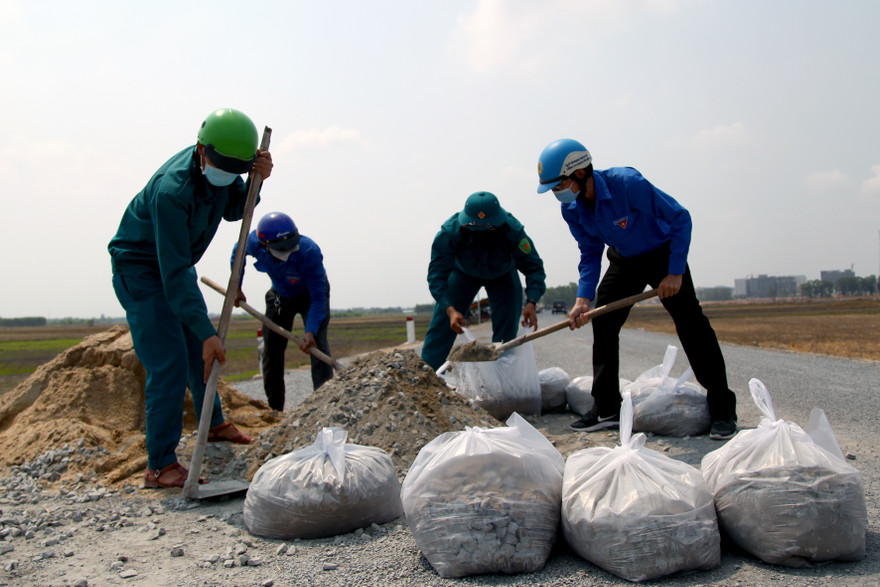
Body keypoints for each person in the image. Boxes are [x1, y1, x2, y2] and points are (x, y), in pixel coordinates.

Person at [108, 108, 273, 489]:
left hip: (174, 268)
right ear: (202, 150)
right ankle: (160, 465)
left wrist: (256, 181)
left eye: (236, 169)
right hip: (143, 271)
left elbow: (234, 208)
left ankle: (212, 424)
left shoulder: (225, 169)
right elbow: (176, 272)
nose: (225, 175)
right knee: (169, 362)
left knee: (201, 345)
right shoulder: (173, 191)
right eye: (222, 167)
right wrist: (206, 329)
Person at [536, 138, 738, 440]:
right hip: (624, 259)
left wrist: (675, 273)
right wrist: (582, 299)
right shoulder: (573, 209)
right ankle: (606, 408)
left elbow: (680, 218)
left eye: (558, 185)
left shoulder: (627, 183)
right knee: (603, 322)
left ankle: (723, 410)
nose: (557, 193)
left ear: (579, 173)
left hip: (663, 254)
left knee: (691, 324)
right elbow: (590, 252)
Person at [421, 191, 547, 370]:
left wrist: (532, 302)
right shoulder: (449, 232)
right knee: (443, 325)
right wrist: (450, 310)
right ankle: (427, 375)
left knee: (506, 335)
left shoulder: (513, 231)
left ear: (497, 224)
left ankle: (502, 377)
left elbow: (534, 268)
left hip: (502, 275)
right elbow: (436, 275)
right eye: (474, 229)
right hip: (463, 274)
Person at [232, 212, 333, 411]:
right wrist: (236, 286)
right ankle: (275, 410)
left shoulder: (309, 251)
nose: (287, 253)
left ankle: (324, 406)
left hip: (310, 296)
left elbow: (318, 297)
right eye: (281, 250)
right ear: (264, 245)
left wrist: (310, 331)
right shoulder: (252, 242)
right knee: (272, 351)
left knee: (318, 346)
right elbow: (237, 254)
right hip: (280, 296)